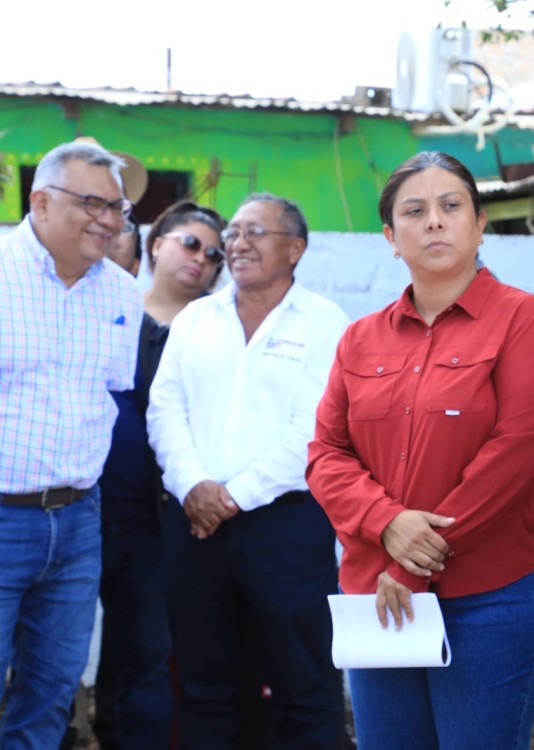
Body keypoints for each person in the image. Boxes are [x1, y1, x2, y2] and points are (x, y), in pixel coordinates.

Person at [306, 151, 534, 749]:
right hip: (381, 602)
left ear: (479, 224)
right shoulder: (360, 337)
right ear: (389, 237)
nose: (434, 222)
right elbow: (326, 454)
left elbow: (513, 458)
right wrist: (386, 521)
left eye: (451, 207)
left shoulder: (523, 319)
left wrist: (410, 561)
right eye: (415, 211)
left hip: (491, 604)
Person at [147, 193, 349, 748]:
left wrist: (231, 496)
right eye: (232, 233)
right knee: (203, 685)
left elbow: (314, 426)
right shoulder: (196, 318)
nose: (236, 243)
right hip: (195, 528)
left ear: (295, 249)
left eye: (255, 232)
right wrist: (192, 486)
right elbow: (166, 407)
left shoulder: (325, 322)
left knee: (303, 685)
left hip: (285, 527)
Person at [0, 141, 142, 749]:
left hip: (79, 521)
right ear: (40, 200)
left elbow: (110, 397)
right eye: (92, 203)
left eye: (118, 208)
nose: (108, 221)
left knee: (52, 691)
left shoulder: (121, 293)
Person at [94, 200, 227, 750]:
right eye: (191, 243)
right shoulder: (105, 309)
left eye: (215, 254)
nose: (203, 259)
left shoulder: (213, 335)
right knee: (50, 655)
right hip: (77, 513)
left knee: (145, 654)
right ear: (156, 245)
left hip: (156, 526)